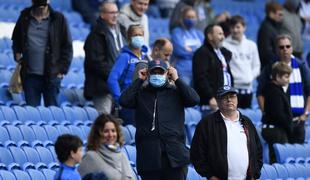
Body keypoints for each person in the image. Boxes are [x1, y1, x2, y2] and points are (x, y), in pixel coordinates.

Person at [119, 59, 200, 179]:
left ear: (167, 73)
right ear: (148, 74)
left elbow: (194, 99)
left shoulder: (176, 92)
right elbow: (124, 101)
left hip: (175, 157)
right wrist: (139, 80)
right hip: (149, 158)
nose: (157, 75)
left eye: (160, 72)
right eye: (154, 72)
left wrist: (177, 79)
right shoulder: (141, 93)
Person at [190, 86, 263, 180]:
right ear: (218, 101)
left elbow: (258, 151)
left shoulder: (247, 122)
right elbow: (197, 153)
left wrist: (254, 175)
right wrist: (210, 176)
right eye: (225, 97)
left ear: (237, 99)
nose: (229, 100)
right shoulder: (206, 123)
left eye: (232, 96)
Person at [11, 0, 73, 107]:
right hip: (30, 76)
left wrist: (62, 70)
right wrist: (17, 52)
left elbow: (67, 47)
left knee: (52, 112)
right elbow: (16, 38)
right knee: (32, 112)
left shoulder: (58, 19)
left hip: (52, 76)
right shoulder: (24, 16)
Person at [257, 34, 310, 144]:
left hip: (298, 121)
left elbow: (309, 92)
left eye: (287, 46)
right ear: (276, 49)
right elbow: (260, 93)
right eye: (281, 47)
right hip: (278, 124)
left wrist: (305, 114)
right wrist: (265, 113)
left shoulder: (301, 66)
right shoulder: (270, 67)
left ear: (292, 48)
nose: (285, 49)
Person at [84, 2, 125, 115]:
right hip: (103, 89)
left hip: (118, 86)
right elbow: (97, 63)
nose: (115, 15)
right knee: (104, 121)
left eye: (117, 12)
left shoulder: (121, 31)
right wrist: (115, 76)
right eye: (111, 12)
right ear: (102, 15)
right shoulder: (96, 35)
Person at [78, 114, 135, 179]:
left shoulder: (122, 156)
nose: (110, 135)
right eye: (106, 131)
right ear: (98, 134)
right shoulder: (91, 157)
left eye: (113, 131)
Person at [192, 24, 233, 116]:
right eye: (219, 34)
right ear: (210, 36)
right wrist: (210, 97)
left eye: (223, 34)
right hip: (211, 104)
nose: (223, 37)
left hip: (225, 100)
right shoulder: (202, 53)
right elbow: (200, 78)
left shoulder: (222, 53)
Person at [223, 15, 260, 108]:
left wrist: (250, 77)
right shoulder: (224, 45)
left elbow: (257, 66)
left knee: (245, 119)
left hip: (248, 88)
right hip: (231, 88)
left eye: (238, 27)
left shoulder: (251, 45)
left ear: (244, 28)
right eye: (232, 27)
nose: (235, 30)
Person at [262, 61, 293, 164]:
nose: (288, 80)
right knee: (277, 161)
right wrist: (289, 126)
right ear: (277, 76)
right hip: (276, 131)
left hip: (276, 129)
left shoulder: (274, 90)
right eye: (286, 77)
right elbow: (278, 115)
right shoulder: (274, 92)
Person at [171, 6, 204, 86]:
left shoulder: (199, 34)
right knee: (185, 95)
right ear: (182, 17)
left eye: (193, 17)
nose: (191, 19)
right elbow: (179, 50)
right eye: (188, 17)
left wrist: (189, 50)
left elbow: (204, 52)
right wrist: (197, 52)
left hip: (199, 71)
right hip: (183, 70)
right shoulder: (176, 32)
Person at [257, 2, 284, 69]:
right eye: (279, 14)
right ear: (271, 14)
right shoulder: (266, 29)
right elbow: (266, 51)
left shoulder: (274, 27)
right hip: (269, 67)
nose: (281, 17)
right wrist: (278, 61)